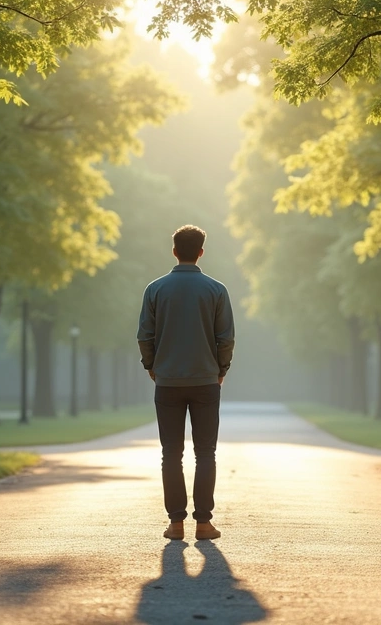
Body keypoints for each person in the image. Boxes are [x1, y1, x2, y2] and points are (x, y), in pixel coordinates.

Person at [137, 224, 235, 541]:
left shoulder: (155, 289)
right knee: (206, 453)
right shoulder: (216, 290)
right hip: (206, 380)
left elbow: (144, 336)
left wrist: (152, 366)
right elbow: (226, 338)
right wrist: (221, 369)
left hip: (168, 382)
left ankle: (176, 524)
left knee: (171, 454)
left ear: (174, 251)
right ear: (201, 252)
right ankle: (204, 523)